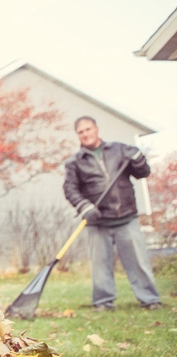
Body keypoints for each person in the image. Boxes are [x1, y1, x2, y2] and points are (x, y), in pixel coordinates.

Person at [63, 116, 162, 311]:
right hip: (97, 221)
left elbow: (143, 173)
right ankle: (103, 302)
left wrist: (139, 160)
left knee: (138, 262)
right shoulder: (75, 162)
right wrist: (85, 206)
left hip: (126, 216)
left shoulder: (120, 150)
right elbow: (70, 189)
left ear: (96, 129)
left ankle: (150, 299)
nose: (85, 134)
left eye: (88, 129)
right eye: (81, 132)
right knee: (100, 266)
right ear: (78, 135)